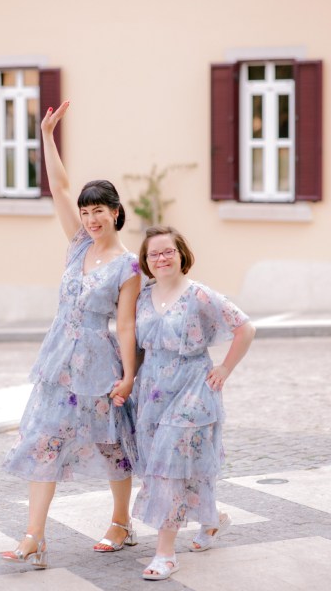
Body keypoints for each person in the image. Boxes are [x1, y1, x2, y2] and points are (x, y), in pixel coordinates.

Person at [2, 101, 141, 568]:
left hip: (101, 362)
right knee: (45, 438)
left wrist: (128, 376)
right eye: (85, 211)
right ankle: (33, 536)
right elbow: (58, 186)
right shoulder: (77, 244)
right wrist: (46, 133)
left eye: (98, 210)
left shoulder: (128, 265)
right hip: (59, 358)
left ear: (116, 212)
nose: (90, 219)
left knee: (110, 444)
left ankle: (121, 521)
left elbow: (125, 324)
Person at [128, 225, 255, 581]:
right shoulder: (141, 297)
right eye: (154, 254)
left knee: (170, 465)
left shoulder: (200, 295)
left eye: (168, 251)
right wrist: (127, 382)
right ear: (146, 261)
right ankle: (213, 521)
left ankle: (165, 554)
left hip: (193, 388)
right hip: (152, 390)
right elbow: (138, 347)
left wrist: (225, 369)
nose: (162, 258)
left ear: (181, 254)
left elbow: (245, 328)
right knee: (170, 466)